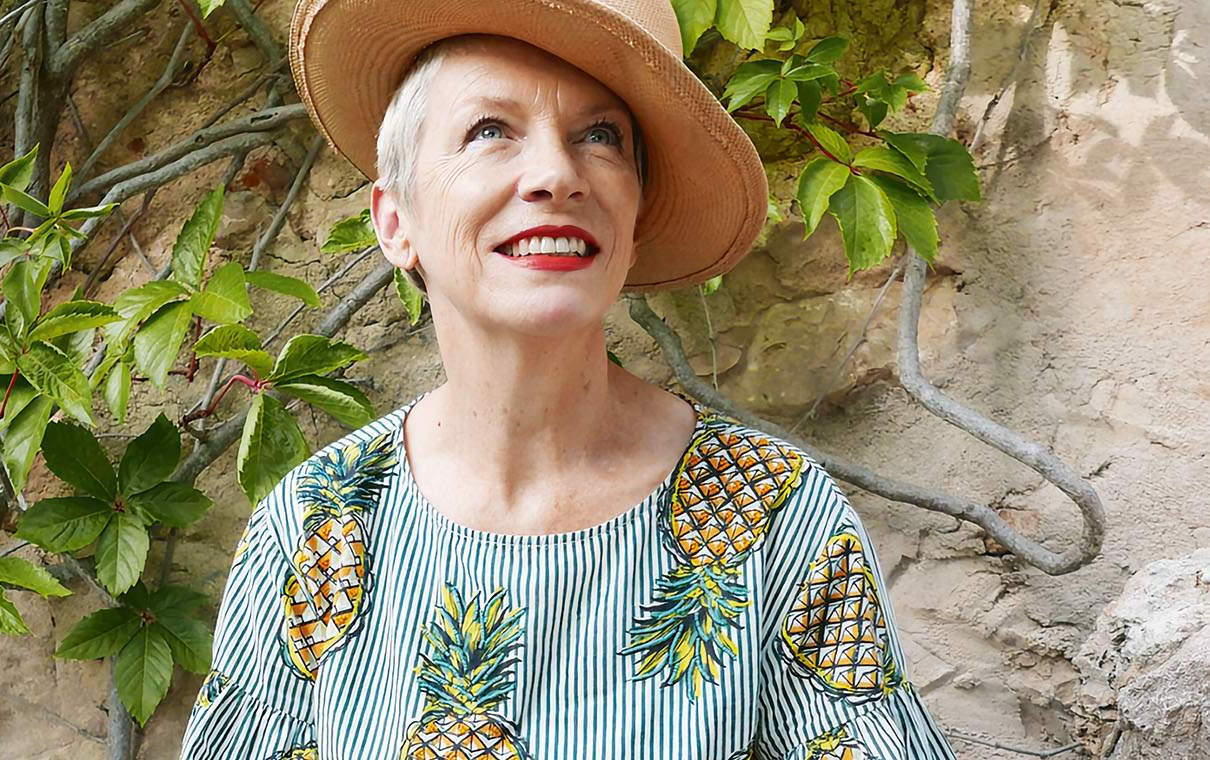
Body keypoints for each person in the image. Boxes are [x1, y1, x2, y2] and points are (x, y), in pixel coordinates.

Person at [179, 0, 958, 756]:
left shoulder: (774, 520)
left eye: (600, 136)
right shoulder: (318, 525)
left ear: (635, 211)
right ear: (395, 223)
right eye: (490, 130)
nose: (557, 172)